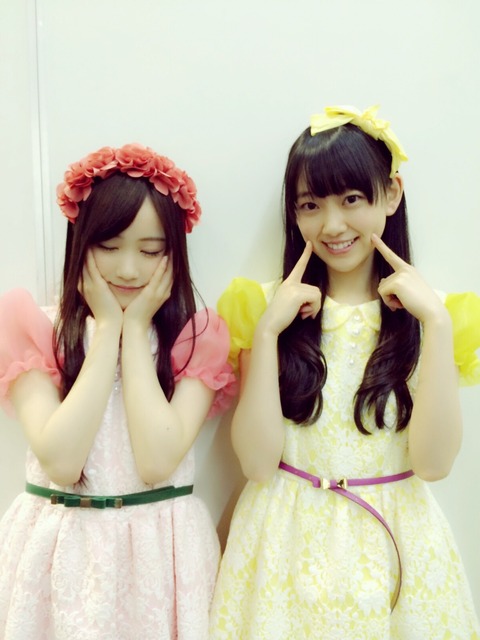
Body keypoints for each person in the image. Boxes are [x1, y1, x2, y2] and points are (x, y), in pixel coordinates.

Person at [209, 106, 480, 639]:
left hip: (397, 547)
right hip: (282, 545)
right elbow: (258, 464)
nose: (332, 225)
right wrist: (268, 333)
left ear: (392, 194)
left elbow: (433, 464)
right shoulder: (264, 308)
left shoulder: (438, 316)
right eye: (311, 205)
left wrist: (436, 324)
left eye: (352, 198)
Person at [0, 143, 236, 640]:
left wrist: (137, 330)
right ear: (80, 243)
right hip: (60, 552)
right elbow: (61, 462)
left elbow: (157, 461)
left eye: (151, 251)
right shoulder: (36, 329)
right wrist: (106, 329)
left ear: (174, 254)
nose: (129, 269)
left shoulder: (196, 339)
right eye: (109, 247)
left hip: (159, 555)